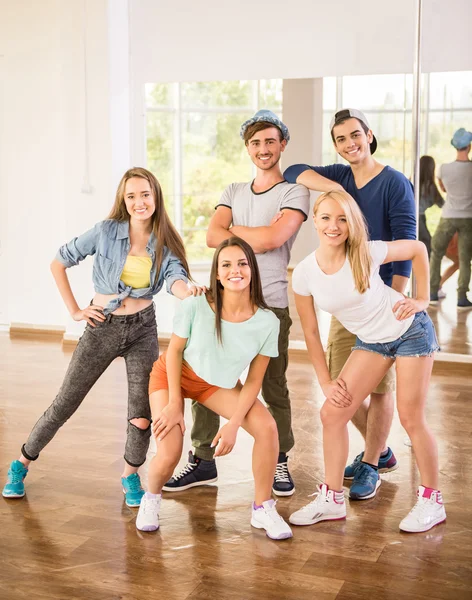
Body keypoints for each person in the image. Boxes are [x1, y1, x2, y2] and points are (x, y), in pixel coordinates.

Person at [2, 167, 201, 508]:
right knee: (65, 402)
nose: (139, 202)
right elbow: (58, 262)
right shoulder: (106, 231)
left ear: (156, 197)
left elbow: (175, 279)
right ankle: (21, 463)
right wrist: (76, 311)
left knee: (140, 413)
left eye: (145, 195)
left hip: (143, 329)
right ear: (123, 201)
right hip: (101, 326)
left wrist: (189, 291)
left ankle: (129, 474)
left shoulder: (166, 240)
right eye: (131, 196)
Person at [163, 110, 310, 496]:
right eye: (256, 143)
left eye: (270, 141)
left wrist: (237, 232)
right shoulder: (232, 191)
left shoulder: (294, 192)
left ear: (283, 144)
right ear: (247, 148)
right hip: (221, 303)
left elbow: (274, 239)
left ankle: (278, 459)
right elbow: (214, 238)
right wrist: (252, 234)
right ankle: (203, 459)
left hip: (270, 303)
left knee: (273, 385)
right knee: (208, 376)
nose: (263, 149)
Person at [289, 190, 445, 533]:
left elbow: (417, 248)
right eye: (326, 217)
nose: (334, 226)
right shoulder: (303, 274)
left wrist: (422, 297)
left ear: (351, 223)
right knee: (332, 412)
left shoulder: (365, 251)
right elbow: (312, 334)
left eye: (342, 218)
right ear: (314, 220)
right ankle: (331, 499)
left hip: (409, 331)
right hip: (373, 342)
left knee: (411, 417)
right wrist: (326, 383)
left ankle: (432, 501)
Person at [284, 108, 416, 501]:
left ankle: (372, 463)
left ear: (369, 134)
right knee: (341, 390)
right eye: (341, 139)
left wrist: (398, 297)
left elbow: (407, 242)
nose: (350, 144)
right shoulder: (340, 177)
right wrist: (339, 191)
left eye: (355, 135)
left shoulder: (394, 182)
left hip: (383, 299)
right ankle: (381, 450)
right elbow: (294, 170)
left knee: (379, 389)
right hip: (346, 302)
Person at [136, 237, 293, 540]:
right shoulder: (195, 305)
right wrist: (173, 405)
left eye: (242, 263)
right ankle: (150, 498)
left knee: (267, 428)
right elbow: (174, 352)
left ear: (252, 271)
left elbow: (253, 381)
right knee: (170, 453)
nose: (235, 270)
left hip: (215, 385)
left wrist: (234, 424)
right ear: (217, 274)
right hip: (174, 375)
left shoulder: (267, 322)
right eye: (227, 265)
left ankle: (263, 508)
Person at [430, 128, 472, 308]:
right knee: (465, 259)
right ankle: (462, 297)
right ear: (469, 147)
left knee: (436, 253)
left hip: (448, 216)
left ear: (455, 146)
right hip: (468, 218)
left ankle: (432, 292)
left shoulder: (444, 169)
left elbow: (443, 188)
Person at [418, 155, 444, 257]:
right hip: (418, 217)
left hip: (414, 216)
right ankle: (426, 271)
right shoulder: (430, 186)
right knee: (427, 243)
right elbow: (442, 204)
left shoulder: (412, 181)